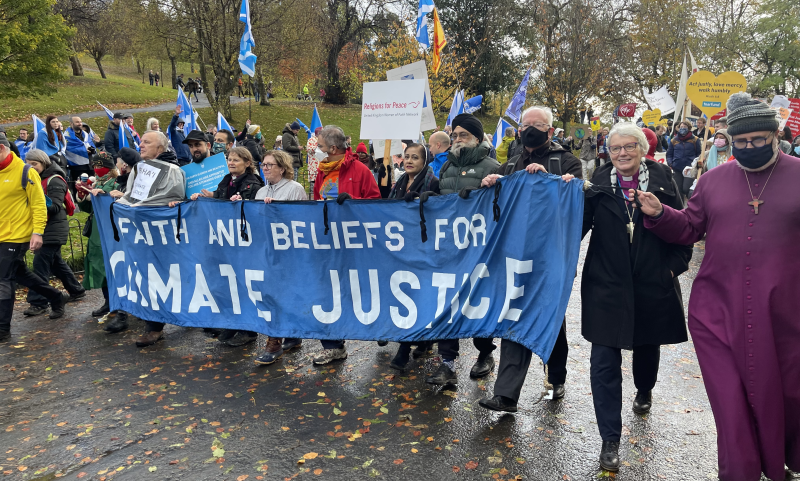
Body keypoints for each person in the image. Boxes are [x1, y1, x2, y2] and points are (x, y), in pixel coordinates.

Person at [636, 92, 800, 481]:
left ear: (776, 135)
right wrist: (662, 214)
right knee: (730, 401)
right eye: (741, 141)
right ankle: (740, 471)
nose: (749, 148)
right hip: (717, 312)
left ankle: (784, 459)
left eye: (758, 140)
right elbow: (691, 228)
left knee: (787, 395)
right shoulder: (711, 181)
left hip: (785, 314)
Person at [561, 123, 692, 472]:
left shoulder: (664, 179)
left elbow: (684, 229)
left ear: (641, 149)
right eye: (615, 147)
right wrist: (560, 196)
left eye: (629, 147)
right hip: (606, 284)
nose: (621, 153)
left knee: (647, 349)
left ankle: (644, 389)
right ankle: (609, 439)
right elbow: (575, 227)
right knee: (603, 361)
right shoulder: (598, 183)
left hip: (652, 283)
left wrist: (670, 270)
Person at [476, 106, 581, 410]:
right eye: (525, 125)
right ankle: (506, 395)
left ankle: (556, 374)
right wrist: (491, 186)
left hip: (551, 258)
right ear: (519, 130)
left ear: (551, 131)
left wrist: (550, 183)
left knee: (550, 317)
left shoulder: (568, 162)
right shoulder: (509, 165)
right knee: (514, 315)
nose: (530, 130)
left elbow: (575, 206)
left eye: (538, 125)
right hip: (516, 257)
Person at [425, 113, 500, 385]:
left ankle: (485, 353)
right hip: (448, 246)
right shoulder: (445, 168)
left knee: (477, 301)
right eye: (454, 135)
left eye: (463, 135)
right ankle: (447, 362)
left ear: (477, 139)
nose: (457, 139)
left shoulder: (493, 165)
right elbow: (441, 198)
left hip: (478, 249)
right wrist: (429, 197)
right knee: (446, 300)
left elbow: (501, 206)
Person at [311, 125, 381, 365]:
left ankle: (380, 328)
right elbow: (315, 202)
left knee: (358, 291)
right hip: (329, 242)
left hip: (355, 244)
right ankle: (333, 345)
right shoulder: (322, 171)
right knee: (329, 291)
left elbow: (375, 204)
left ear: (332, 148)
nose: (317, 150)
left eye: (319, 147)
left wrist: (353, 203)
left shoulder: (360, 170)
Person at [115, 131, 186, 346]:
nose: (141, 145)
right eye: (141, 141)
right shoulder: (138, 168)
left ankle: (193, 319)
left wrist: (137, 207)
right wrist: (123, 203)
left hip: (163, 234)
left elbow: (172, 195)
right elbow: (132, 194)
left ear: (160, 149)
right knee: (148, 278)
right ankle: (152, 325)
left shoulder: (172, 170)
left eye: (147, 142)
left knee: (172, 277)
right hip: (141, 233)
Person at [190, 146, 264, 346]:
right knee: (229, 283)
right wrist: (208, 197)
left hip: (243, 242)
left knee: (243, 284)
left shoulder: (252, 184)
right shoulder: (226, 180)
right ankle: (233, 323)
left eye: (236, 160)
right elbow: (220, 196)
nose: (231, 163)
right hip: (226, 241)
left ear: (247, 163)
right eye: (230, 159)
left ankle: (248, 330)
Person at [0, 134, 68, 342]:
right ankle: (56, 296)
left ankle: (2, 329)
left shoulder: (25, 171)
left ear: (2, 149)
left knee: (3, 278)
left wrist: (37, 232)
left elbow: (39, 204)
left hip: (16, 234)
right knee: (19, 274)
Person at [253, 150, 308, 364]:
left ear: (282, 168)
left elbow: (303, 220)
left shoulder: (295, 189)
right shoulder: (260, 192)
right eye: (263, 164)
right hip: (267, 251)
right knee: (272, 293)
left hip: (288, 253)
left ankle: (274, 341)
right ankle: (291, 336)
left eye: (270, 165)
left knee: (281, 294)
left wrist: (278, 210)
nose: (265, 168)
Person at [19, 149, 84, 318]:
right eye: (28, 164)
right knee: (56, 264)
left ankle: (38, 302)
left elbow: (55, 207)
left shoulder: (54, 180)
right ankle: (76, 290)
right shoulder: (37, 179)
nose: (31, 167)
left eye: (34, 164)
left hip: (53, 228)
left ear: (44, 163)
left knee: (41, 265)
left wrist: (37, 197)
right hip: (46, 228)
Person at [74, 152, 123, 326]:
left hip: (113, 228)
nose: (97, 169)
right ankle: (108, 301)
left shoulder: (117, 181)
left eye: (100, 165)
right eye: (94, 166)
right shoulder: (95, 182)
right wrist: (82, 195)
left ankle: (121, 304)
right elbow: (89, 208)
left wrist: (104, 193)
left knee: (115, 265)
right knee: (100, 264)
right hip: (97, 228)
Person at [666, 120, 702, 199]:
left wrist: (696, 165)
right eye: (681, 127)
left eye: (684, 127)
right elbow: (669, 154)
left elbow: (699, 154)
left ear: (689, 128)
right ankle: (681, 208)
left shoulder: (695, 140)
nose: (682, 128)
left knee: (686, 189)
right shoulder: (674, 140)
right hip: (677, 168)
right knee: (678, 190)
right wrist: (671, 164)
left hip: (689, 169)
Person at [64, 116, 98, 191]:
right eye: (77, 122)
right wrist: (84, 150)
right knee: (79, 187)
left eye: (80, 122)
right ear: (71, 124)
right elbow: (69, 149)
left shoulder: (85, 134)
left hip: (89, 164)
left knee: (92, 185)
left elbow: (91, 144)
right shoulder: (67, 136)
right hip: (77, 166)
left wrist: (92, 150)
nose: (80, 124)